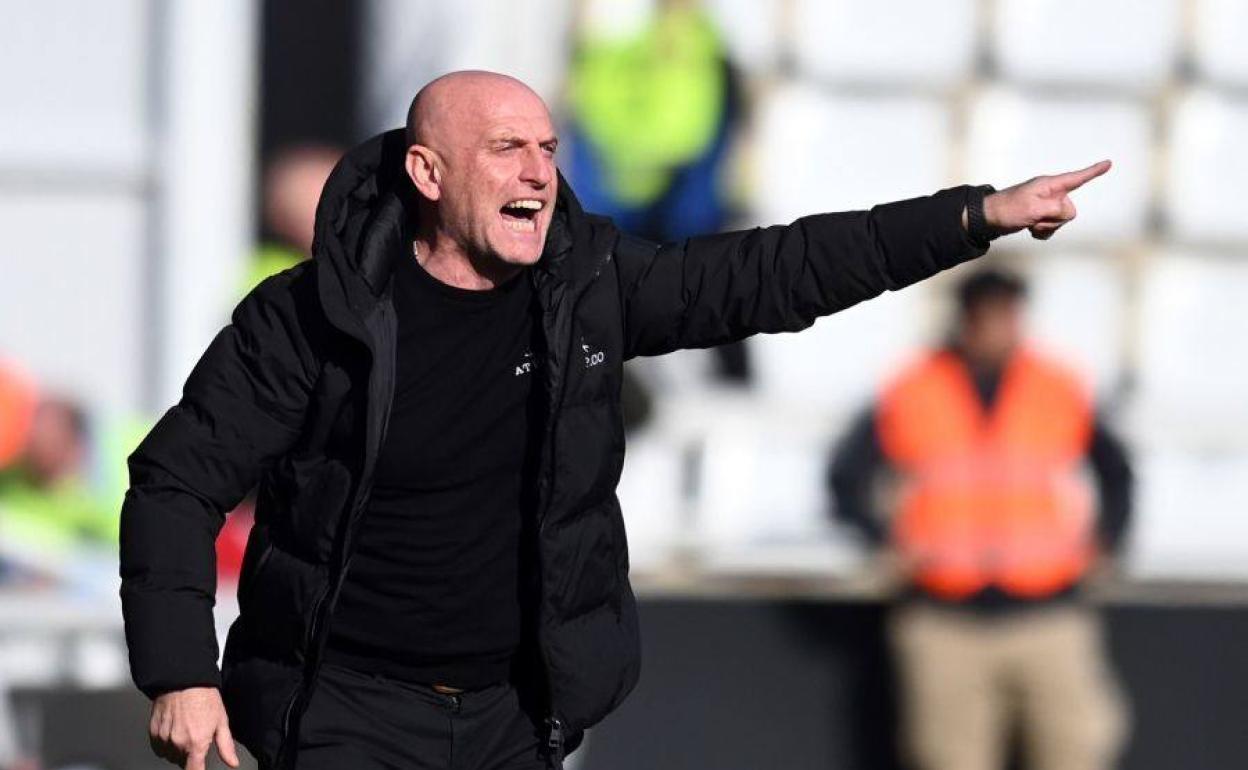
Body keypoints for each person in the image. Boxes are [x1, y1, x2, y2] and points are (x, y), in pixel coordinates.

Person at [119, 70, 1111, 770]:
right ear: (427, 174)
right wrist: (179, 671)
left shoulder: (588, 285)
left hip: (512, 716)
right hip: (343, 709)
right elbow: (176, 480)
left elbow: (776, 272)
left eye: (547, 148)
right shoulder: (305, 317)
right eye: (505, 149)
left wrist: (977, 214)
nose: (538, 171)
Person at [829, 269, 1133, 770]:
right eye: (985, 315)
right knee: (949, 757)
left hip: (1049, 611)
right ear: (965, 318)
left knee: (1076, 749)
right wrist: (884, 539)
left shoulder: (1057, 385)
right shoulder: (915, 387)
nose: (997, 328)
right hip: (945, 615)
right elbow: (845, 477)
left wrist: (1108, 539)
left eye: (1007, 314)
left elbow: (1116, 470)